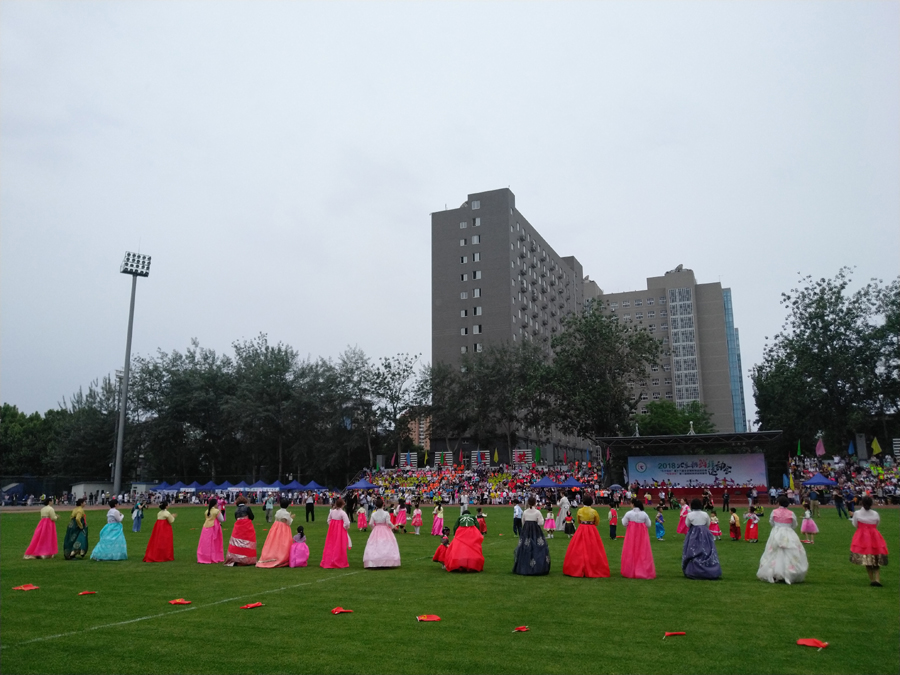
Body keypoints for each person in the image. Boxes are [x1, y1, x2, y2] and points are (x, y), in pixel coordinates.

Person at [756, 495, 808, 584]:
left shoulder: (774, 512)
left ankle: (774, 572)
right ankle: (788, 572)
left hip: (776, 532)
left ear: (779, 503)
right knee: (789, 552)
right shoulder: (791, 513)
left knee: (773, 552)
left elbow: (771, 522)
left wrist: (777, 526)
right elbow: (794, 524)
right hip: (788, 532)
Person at [562, 495, 611, 578]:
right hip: (591, 529)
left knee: (578, 547)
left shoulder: (580, 511)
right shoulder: (594, 511)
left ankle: (577, 567)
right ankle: (593, 566)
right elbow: (597, 522)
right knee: (593, 547)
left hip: (582, 528)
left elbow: (578, 520)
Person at [850, 496, 889, 587]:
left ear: (862, 503)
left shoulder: (857, 513)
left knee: (867, 558)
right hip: (874, 536)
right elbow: (877, 523)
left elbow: (855, 524)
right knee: (876, 558)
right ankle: (877, 579)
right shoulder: (875, 514)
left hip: (862, 536)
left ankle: (872, 579)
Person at [681, 499, 722, 580]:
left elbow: (687, 524)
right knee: (707, 550)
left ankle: (694, 571)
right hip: (705, 533)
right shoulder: (705, 514)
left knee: (693, 550)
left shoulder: (690, 514)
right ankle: (709, 569)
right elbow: (708, 523)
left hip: (693, 533)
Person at [512, 496, 549, 576]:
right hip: (536, 531)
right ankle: (538, 567)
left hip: (526, 531)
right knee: (538, 546)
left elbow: (523, 522)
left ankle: (524, 566)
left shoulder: (525, 512)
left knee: (525, 547)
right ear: (535, 503)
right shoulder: (537, 512)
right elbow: (541, 522)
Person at [621, 499, 656, 579]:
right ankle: (643, 570)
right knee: (643, 551)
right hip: (642, 536)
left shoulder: (629, 513)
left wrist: (630, 526)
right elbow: (649, 524)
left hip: (631, 535)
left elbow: (624, 522)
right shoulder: (644, 514)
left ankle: (630, 570)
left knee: (630, 551)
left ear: (633, 504)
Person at [363, 497, 401, 568]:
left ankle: (375, 560)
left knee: (375, 544)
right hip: (385, 529)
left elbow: (371, 523)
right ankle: (387, 561)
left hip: (376, 529)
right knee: (386, 543)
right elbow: (388, 522)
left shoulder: (374, 514)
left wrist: (374, 528)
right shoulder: (386, 513)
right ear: (383, 505)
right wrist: (393, 527)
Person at [257, 498, 293, 568]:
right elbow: (289, 522)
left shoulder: (278, 511)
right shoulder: (286, 513)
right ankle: (281, 557)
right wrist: (291, 517)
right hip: (283, 528)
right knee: (283, 542)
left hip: (276, 527)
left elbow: (277, 518)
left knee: (274, 541)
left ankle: (273, 555)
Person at [226, 496, 257, 566]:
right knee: (247, 542)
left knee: (238, 543)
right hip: (247, 526)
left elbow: (236, 518)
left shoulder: (236, 510)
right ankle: (247, 559)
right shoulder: (247, 508)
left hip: (238, 527)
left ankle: (236, 558)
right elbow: (252, 517)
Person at [321, 498, 351, 568]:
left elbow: (328, 520)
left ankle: (329, 559)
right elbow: (346, 522)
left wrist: (332, 525)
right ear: (342, 505)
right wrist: (345, 527)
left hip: (332, 530)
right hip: (340, 530)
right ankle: (339, 560)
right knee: (340, 544)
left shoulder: (332, 512)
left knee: (331, 544)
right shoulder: (342, 513)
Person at [197, 497, 225, 564]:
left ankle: (204, 556)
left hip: (205, 527)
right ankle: (214, 556)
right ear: (215, 504)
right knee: (214, 543)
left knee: (205, 543)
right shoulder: (216, 511)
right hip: (213, 527)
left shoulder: (207, 511)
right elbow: (222, 519)